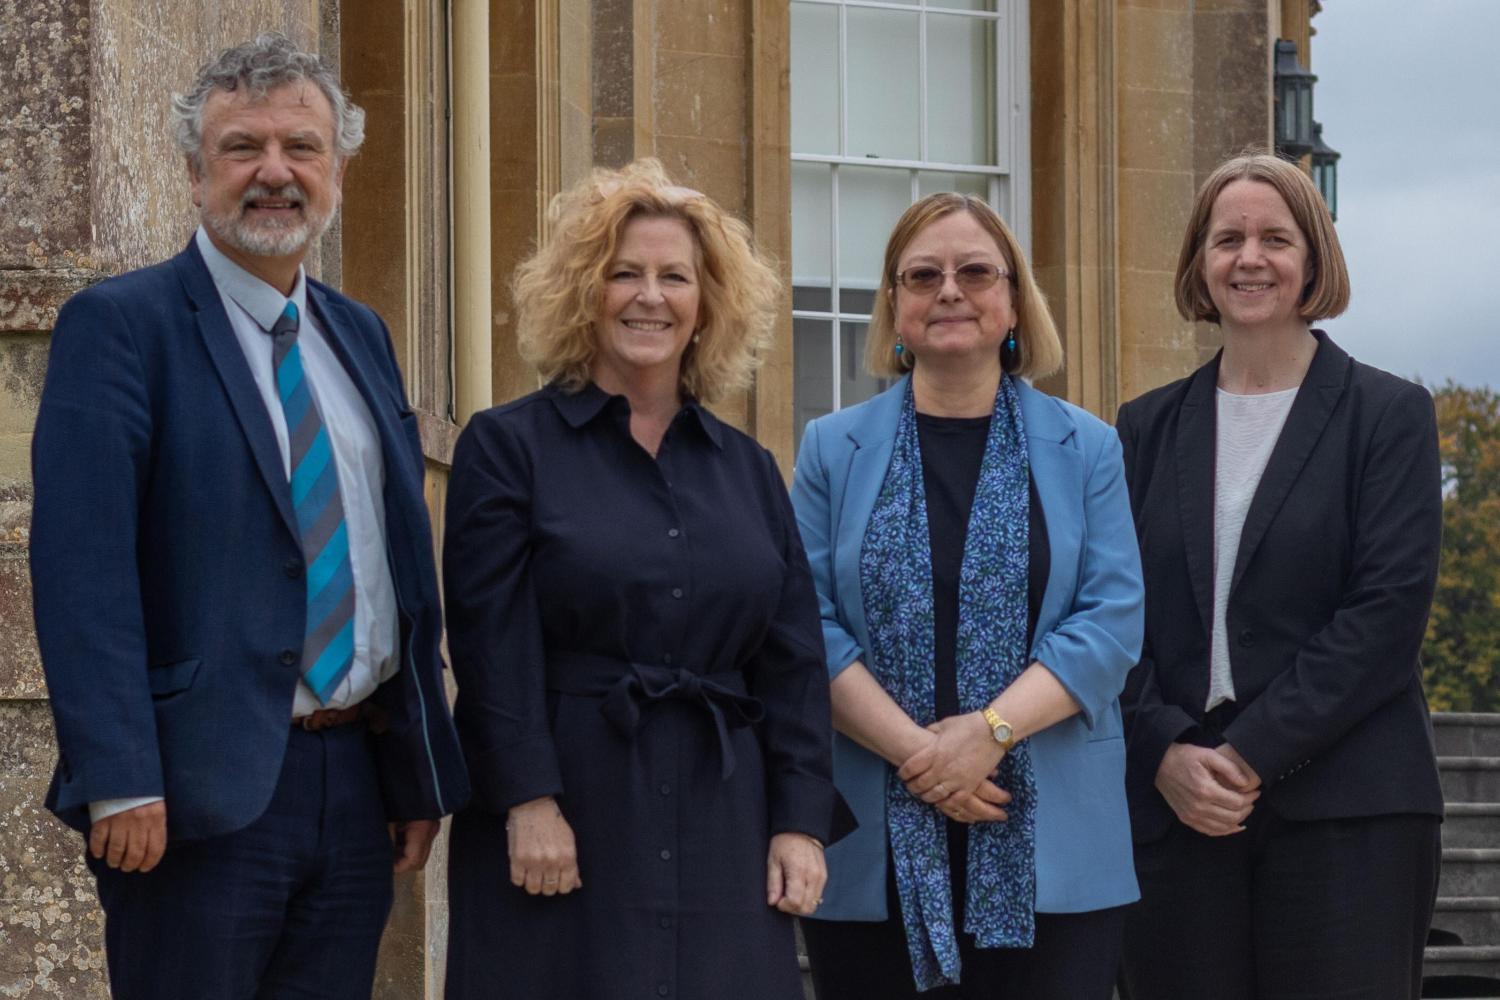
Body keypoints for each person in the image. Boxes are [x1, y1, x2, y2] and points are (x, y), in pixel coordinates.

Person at [28, 34, 469, 1000]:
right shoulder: (122, 327)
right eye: (243, 148)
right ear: (195, 173)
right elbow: (81, 570)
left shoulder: (361, 336)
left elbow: (392, 560)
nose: (275, 172)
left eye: (301, 148)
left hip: (355, 787)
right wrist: (121, 777)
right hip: (192, 796)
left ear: (339, 171)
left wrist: (414, 770)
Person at [441, 158, 854, 1000]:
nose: (649, 297)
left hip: (725, 819)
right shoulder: (508, 446)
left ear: (708, 304)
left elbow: (793, 662)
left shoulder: (749, 468)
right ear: (582, 292)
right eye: (622, 274)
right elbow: (490, 646)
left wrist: (799, 824)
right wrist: (528, 800)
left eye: (675, 277)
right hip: (568, 811)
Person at [789, 192, 1145, 998]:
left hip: (1054, 846)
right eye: (923, 275)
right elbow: (805, 624)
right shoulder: (830, 451)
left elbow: (1111, 622)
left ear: (1014, 299)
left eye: (975, 271)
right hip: (872, 845)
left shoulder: (1088, 448)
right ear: (894, 306)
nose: (949, 290)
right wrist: (925, 758)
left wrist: (986, 734)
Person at [1115, 152, 1444, 1000]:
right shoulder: (1143, 429)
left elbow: (1385, 615)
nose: (1249, 258)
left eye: (1275, 238)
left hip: (1348, 811)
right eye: (1227, 239)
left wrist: (1246, 753)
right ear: (1198, 262)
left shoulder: (1389, 415)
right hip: (1178, 814)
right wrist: (1164, 751)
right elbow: (1110, 616)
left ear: (1314, 260)